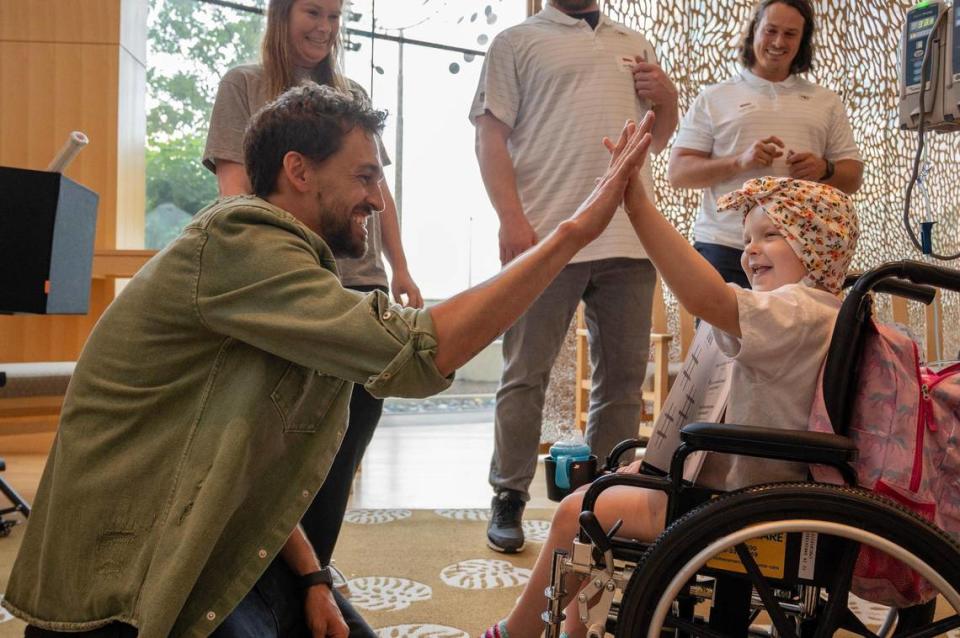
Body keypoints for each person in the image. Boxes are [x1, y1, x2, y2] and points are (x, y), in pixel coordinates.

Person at [3, 85, 655, 638]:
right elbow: (416, 352)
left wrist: (313, 574)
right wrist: (572, 234)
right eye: (366, 176)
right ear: (298, 170)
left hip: (204, 539)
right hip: (126, 578)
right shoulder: (237, 243)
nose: (377, 199)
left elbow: (241, 460)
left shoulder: (281, 270)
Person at [481, 130, 859, 638]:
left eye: (771, 235)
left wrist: (637, 205)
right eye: (747, 238)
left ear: (816, 244)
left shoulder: (796, 309)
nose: (750, 252)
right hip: (751, 487)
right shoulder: (817, 312)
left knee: (578, 512)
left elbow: (705, 296)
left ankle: (517, 632)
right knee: (606, 494)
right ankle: (571, 631)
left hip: (739, 502)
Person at [202, 0, 421, 626]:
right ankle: (272, 585)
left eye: (334, 16)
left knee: (340, 449)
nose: (324, 27)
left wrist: (399, 266)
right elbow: (237, 192)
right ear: (281, 13)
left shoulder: (349, 93)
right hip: (290, 292)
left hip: (359, 284)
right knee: (276, 452)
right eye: (312, 12)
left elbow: (376, 187)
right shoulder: (245, 85)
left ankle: (311, 576)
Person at [470, 0, 679, 554]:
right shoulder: (516, 43)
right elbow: (490, 138)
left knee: (622, 384)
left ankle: (599, 503)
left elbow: (659, 140)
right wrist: (511, 219)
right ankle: (509, 495)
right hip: (546, 236)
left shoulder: (634, 43)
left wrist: (669, 100)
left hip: (628, 240)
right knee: (525, 373)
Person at [668, 0, 862, 287]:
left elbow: (853, 177)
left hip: (803, 253)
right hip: (725, 248)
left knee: (800, 334)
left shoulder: (826, 102)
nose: (778, 42)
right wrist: (740, 162)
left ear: (803, 40)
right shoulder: (713, 97)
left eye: (790, 34)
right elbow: (678, 172)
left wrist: (824, 168)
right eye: (771, 30)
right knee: (721, 334)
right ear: (753, 31)